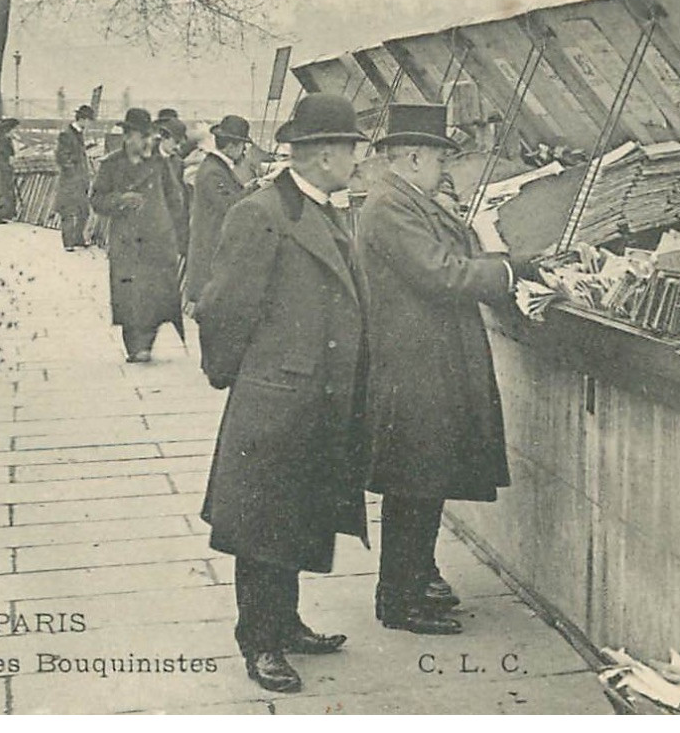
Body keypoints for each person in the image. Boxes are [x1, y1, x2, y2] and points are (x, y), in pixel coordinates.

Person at [197, 93, 370, 694]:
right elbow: (221, 307)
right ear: (324, 154)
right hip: (276, 397)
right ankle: (260, 641)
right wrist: (240, 378)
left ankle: (286, 622)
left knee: (294, 514)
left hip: (313, 397)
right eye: (351, 147)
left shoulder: (321, 208)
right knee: (262, 522)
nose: (357, 159)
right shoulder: (262, 211)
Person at [356, 103, 536, 636]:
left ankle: (416, 579)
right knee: (412, 483)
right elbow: (440, 275)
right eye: (439, 158)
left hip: (428, 363)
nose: (444, 169)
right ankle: (398, 599)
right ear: (413, 157)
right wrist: (507, 270)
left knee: (425, 480)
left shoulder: (408, 199)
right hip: (413, 368)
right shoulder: (390, 207)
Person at [90, 109, 187, 363]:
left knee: (155, 294)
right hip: (127, 241)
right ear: (128, 137)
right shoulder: (111, 165)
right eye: (143, 136)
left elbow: (175, 199)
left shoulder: (159, 164)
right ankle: (136, 347)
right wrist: (120, 200)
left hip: (157, 239)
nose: (148, 141)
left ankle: (146, 343)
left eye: (150, 136)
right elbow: (96, 200)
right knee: (131, 296)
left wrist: (172, 230)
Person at [182, 115, 253, 312]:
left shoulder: (214, 166)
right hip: (211, 247)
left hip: (210, 245)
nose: (244, 151)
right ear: (232, 146)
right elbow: (230, 205)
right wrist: (255, 189)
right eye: (242, 146)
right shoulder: (214, 171)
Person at [55, 105, 98, 250]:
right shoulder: (67, 135)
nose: (90, 124)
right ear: (83, 119)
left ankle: (77, 238)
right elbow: (61, 157)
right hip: (70, 181)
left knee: (83, 210)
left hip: (80, 181)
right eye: (89, 121)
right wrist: (72, 173)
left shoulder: (78, 134)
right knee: (68, 211)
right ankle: (68, 242)